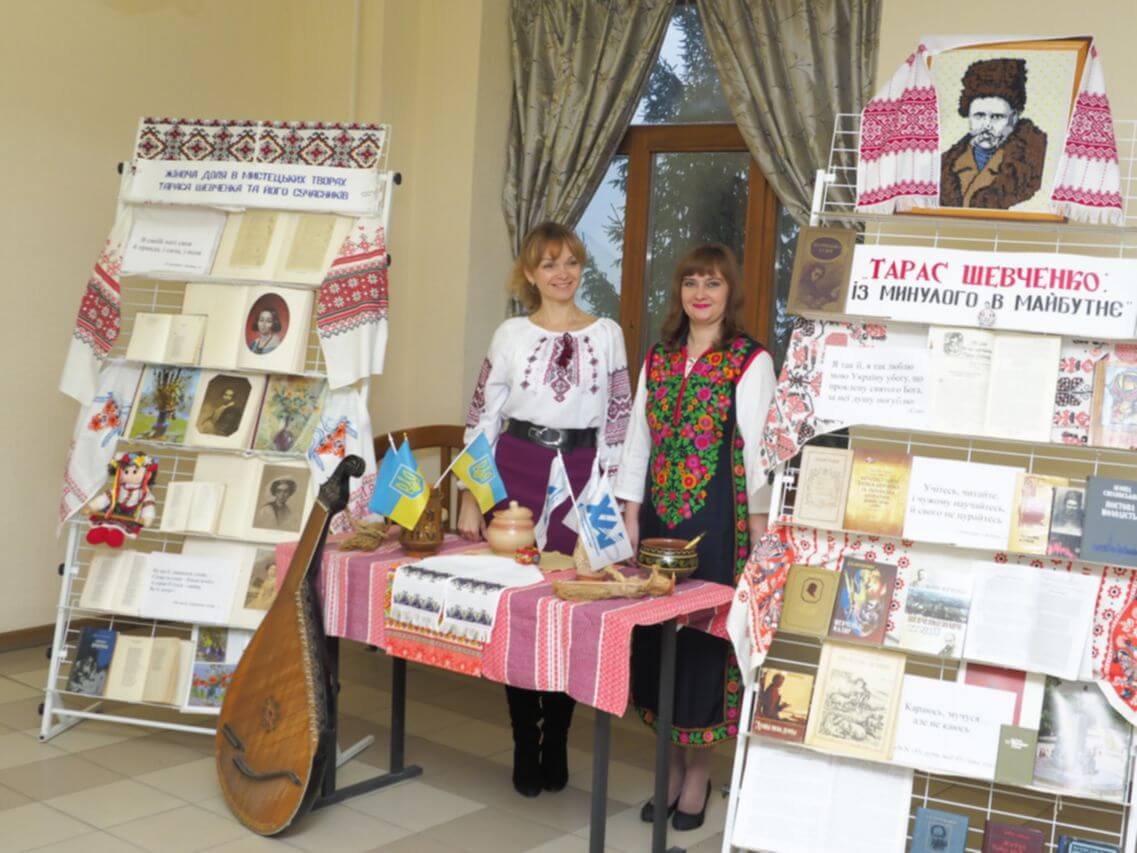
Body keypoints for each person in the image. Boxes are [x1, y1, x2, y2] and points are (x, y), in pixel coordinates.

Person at [459, 221, 631, 798]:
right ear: (530, 274)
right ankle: (522, 738)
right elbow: (482, 415)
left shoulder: (608, 334)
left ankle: (557, 734)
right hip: (518, 468)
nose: (562, 273)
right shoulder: (509, 334)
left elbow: (619, 418)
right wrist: (472, 497)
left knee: (569, 601)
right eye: (549, 263)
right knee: (519, 604)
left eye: (571, 262)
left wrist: (609, 497)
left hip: (582, 475)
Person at [616, 243, 775, 831]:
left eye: (712, 283)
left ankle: (698, 775)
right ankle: (669, 767)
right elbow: (638, 441)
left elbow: (760, 452)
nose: (700, 293)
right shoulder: (658, 360)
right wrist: (631, 512)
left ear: (730, 292)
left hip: (719, 527)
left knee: (705, 647)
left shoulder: (749, 360)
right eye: (690, 282)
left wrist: (758, 532)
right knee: (660, 643)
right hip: (658, 524)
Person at [940, 58, 1047, 210]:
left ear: (1013, 118)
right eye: (979, 116)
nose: (986, 125)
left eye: (996, 117)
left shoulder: (1032, 164)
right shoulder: (946, 166)